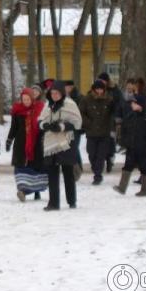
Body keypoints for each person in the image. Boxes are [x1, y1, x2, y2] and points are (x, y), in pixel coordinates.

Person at [39, 81, 82, 211]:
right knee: (52, 172)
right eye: (52, 93)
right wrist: (44, 125)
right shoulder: (48, 105)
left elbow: (77, 123)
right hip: (51, 143)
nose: (54, 96)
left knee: (68, 172)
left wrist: (62, 126)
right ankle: (53, 203)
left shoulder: (70, 104)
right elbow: (40, 120)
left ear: (62, 93)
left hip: (66, 143)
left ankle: (71, 200)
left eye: (57, 93)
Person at [7, 88, 47, 201]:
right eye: (24, 99)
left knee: (35, 167)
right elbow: (13, 127)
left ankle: (36, 191)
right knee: (21, 167)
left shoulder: (38, 109)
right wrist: (9, 140)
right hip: (20, 144)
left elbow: (42, 126)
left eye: (28, 99)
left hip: (35, 143)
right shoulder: (17, 111)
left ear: (32, 98)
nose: (26, 101)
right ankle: (23, 191)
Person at [113, 94, 146, 196]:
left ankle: (144, 190)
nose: (131, 104)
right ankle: (122, 187)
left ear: (140, 104)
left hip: (143, 148)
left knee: (145, 168)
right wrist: (124, 141)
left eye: (134, 103)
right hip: (131, 147)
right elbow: (125, 129)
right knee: (127, 166)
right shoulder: (131, 115)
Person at [79, 80, 115, 185]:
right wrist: (88, 123)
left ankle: (98, 175)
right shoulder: (86, 99)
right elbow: (81, 113)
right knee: (91, 153)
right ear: (94, 89)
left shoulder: (109, 99)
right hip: (91, 132)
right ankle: (96, 169)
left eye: (101, 89)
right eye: (97, 89)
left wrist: (110, 123)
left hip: (105, 132)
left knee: (101, 155)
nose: (99, 91)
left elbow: (113, 112)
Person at [97, 72, 123, 173]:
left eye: (103, 80)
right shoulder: (97, 89)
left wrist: (117, 116)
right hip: (100, 120)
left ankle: (110, 159)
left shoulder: (115, 91)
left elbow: (120, 104)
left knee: (111, 140)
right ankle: (102, 159)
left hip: (111, 120)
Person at [64, 80, 83, 171]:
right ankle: (72, 166)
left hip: (76, 126)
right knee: (68, 146)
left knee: (74, 146)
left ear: (72, 87)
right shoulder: (62, 97)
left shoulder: (79, 97)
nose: (67, 89)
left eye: (68, 87)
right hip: (65, 126)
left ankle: (78, 166)